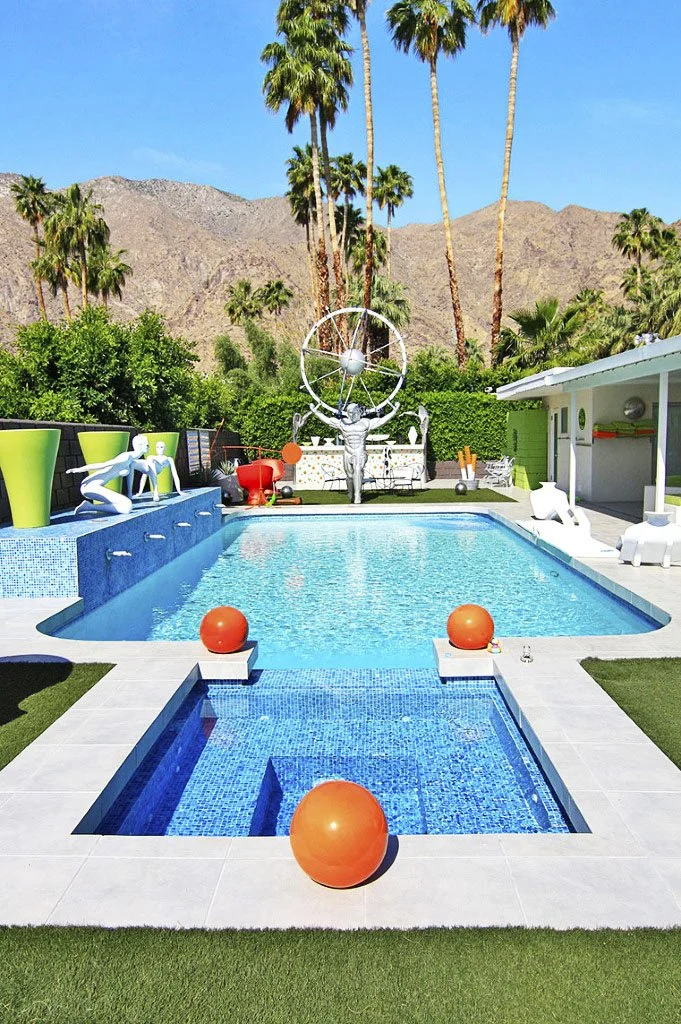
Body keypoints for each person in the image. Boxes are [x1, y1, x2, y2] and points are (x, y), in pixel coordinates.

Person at [310, 401, 399, 504]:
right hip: (348, 451)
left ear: (359, 412)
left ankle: (357, 496)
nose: (353, 415)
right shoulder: (342, 423)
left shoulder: (366, 422)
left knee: (357, 470)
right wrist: (315, 411)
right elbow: (328, 420)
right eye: (350, 413)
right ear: (347, 413)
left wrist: (394, 411)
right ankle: (351, 494)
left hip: (359, 451)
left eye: (355, 412)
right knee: (349, 476)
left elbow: (381, 421)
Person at [67, 434, 153, 515]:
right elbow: (103, 464)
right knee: (127, 506)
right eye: (147, 445)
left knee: (125, 506)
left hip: (95, 486)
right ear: (139, 445)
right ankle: (89, 507)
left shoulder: (132, 460)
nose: (149, 447)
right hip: (90, 486)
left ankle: (89, 506)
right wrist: (79, 469)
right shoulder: (126, 457)